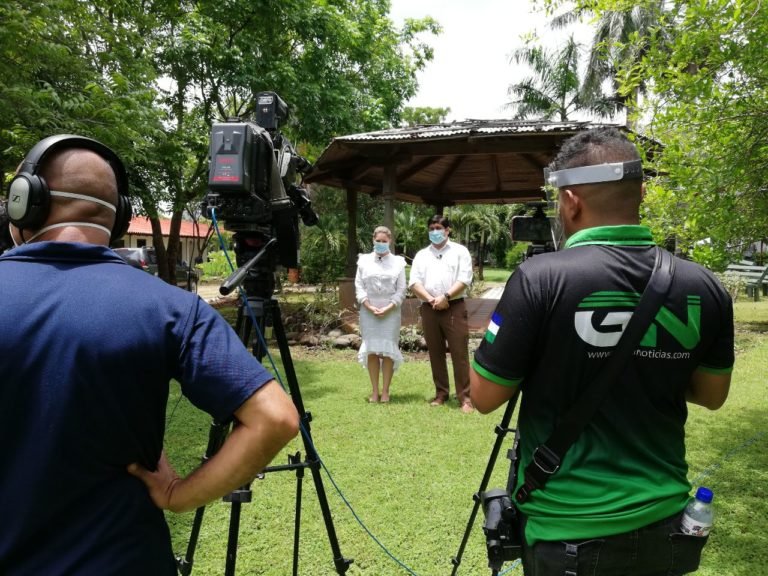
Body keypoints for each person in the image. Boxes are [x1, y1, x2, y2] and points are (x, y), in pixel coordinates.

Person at [0, 135, 299, 575]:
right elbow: (276, 418)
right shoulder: (172, 307)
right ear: (119, 217)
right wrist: (180, 494)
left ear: (26, 201)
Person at [471, 128, 734, 575]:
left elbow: (484, 396)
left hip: (566, 530)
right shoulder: (704, 287)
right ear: (642, 193)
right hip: (666, 527)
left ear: (571, 201)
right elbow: (712, 394)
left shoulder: (540, 278)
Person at [409, 215, 474, 413]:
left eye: (438, 228)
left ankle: (465, 398)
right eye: (431, 228)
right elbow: (414, 282)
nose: (434, 232)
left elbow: (464, 279)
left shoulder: (460, 251)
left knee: (459, 353)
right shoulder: (422, 255)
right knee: (435, 353)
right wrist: (431, 299)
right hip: (429, 308)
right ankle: (441, 393)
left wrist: (445, 296)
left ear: (448, 230)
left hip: (453, 306)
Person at [355, 225, 407, 403]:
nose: (381, 244)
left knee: (387, 351)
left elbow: (401, 290)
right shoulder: (363, 261)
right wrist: (369, 306)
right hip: (368, 312)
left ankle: (386, 391)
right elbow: (359, 287)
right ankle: (375, 391)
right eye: (378, 241)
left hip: (390, 312)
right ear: (373, 240)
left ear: (390, 242)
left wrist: (388, 307)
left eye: (384, 241)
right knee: (371, 350)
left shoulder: (398, 262)